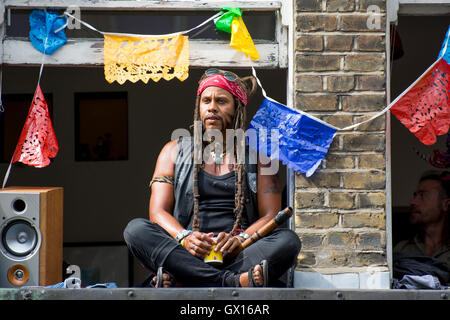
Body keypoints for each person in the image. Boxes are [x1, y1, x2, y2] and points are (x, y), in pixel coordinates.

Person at [123, 68, 301, 287]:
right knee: (136, 230)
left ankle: (186, 279)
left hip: (238, 256)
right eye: (206, 100)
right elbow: (157, 213)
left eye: (222, 101)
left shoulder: (259, 156)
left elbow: (271, 215)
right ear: (199, 107)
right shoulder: (173, 150)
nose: (212, 108)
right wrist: (185, 237)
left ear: (237, 109)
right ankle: (233, 283)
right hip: (187, 253)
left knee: (288, 241)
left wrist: (240, 240)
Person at [393, 171, 450, 286]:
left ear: (445, 204)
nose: (413, 202)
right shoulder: (402, 249)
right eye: (415, 196)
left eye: (422, 195)